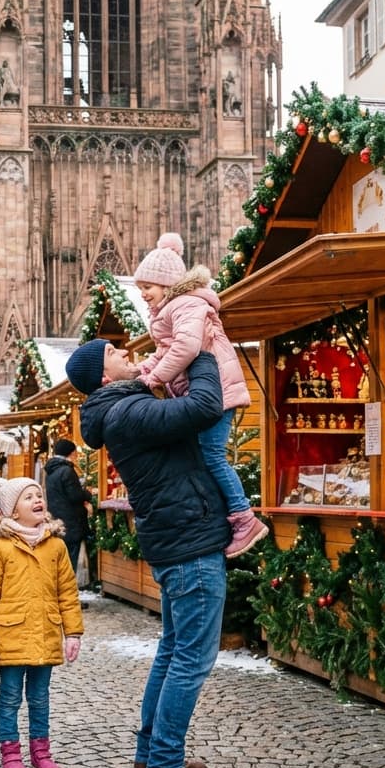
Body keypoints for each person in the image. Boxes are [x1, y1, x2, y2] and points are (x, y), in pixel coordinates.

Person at [64, 338, 227, 768]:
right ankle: (164, 765)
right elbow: (205, 407)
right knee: (191, 658)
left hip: (179, 539)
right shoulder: (127, 411)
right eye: (113, 352)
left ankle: (151, 752)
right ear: (103, 376)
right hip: (189, 541)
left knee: (174, 651)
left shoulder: (121, 408)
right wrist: (200, 352)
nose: (125, 352)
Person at [132, 233, 268, 560]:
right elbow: (165, 351)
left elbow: (186, 347)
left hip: (217, 393)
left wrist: (154, 378)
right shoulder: (172, 309)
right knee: (204, 455)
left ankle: (244, 518)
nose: (144, 295)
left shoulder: (187, 304)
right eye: (140, 289)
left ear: (166, 283)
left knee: (211, 455)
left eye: (147, 287)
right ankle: (230, 516)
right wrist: (139, 371)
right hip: (205, 394)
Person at [0, 478, 84, 768]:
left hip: (45, 633)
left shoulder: (56, 545)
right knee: (10, 697)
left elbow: (67, 592)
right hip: (10, 635)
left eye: (39, 495)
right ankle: (11, 754)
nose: (37, 500)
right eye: (28, 497)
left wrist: (73, 633)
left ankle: (41, 753)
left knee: (40, 698)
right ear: (11, 511)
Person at [43, 439, 93, 574]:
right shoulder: (66, 470)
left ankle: (62, 580)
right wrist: (88, 494)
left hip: (57, 518)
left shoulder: (51, 471)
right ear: (71, 453)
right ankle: (70, 582)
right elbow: (75, 496)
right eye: (75, 452)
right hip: (71, 519)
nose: (76, 455)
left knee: (62, 555)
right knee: (72, 556)